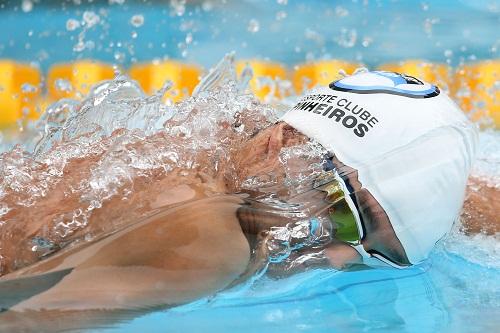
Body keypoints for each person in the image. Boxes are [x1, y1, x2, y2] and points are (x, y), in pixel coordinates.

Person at [0, 71, 496, 331]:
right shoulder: (210, 237)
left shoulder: (251, 139)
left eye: (379, 253)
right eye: (344, 218)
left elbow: (422, 192)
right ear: (277, 145)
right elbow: (19, 318)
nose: (341, 255)